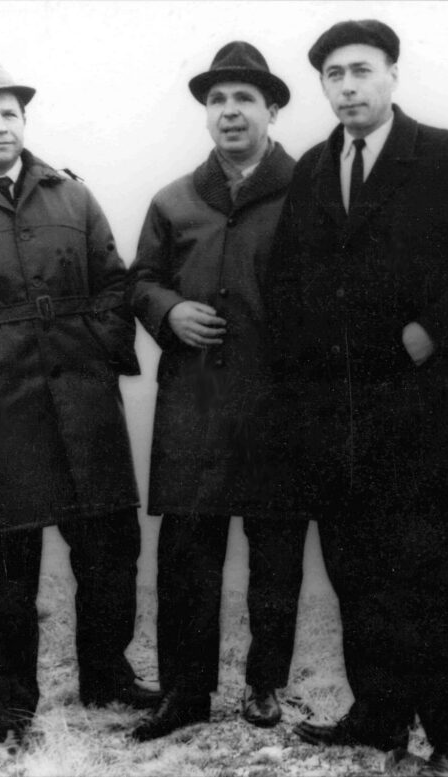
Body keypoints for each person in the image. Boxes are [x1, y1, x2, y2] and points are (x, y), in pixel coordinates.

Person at [265, 20, 448, 777]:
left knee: (428, 574)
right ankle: (376, 715)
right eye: (333, 75)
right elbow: (284, 284)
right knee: (355, 571)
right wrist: (302, 385)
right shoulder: (310, 170)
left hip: (417, 412)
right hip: (335, 418)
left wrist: (437, 330)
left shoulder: (443, 156)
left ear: (393, 75)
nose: (347, 87)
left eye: (361, 71)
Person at [0, 56, 158, 754]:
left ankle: (106, 675)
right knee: (6, 573)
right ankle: (12, 711)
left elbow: (115, 282)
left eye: (10, 112)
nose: (0, 124)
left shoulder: (70, 197)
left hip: (82, 401)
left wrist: (96, 345)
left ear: (25, 120)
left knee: (111, 550)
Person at [128, 42, 304, 742]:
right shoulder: (174, 199)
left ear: (272, 108)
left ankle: (265, 683)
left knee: (276, 550)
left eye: (244, 99)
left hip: (279, 406)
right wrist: (167, 309)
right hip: (194, 406)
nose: (229, 112)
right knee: (188, 553)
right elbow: (136, 280)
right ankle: (185, 690)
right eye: (217, 100)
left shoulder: (310, 188)